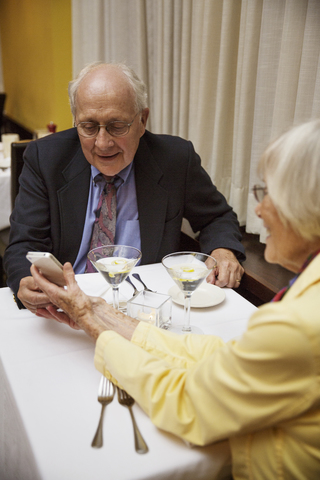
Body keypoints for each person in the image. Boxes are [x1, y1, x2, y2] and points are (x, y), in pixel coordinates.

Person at [31, 119, 320, 479]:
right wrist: (105, 314)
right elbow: (226, 360)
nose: (258, 211)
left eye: (268, 194)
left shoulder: (300, 324)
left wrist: (93, 326)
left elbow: (189, 404)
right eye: (89, 125)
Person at [4, 62, 245, 312]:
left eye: (117, 126)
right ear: (76, 121)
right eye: (88, 127)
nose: (103, 142)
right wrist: (27, 282)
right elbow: (23, 245)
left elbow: (216, 217)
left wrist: (223, 251)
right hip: (69, 304)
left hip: (146, 304)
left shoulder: (174, 159)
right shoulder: (46, 158)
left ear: (142, 120)